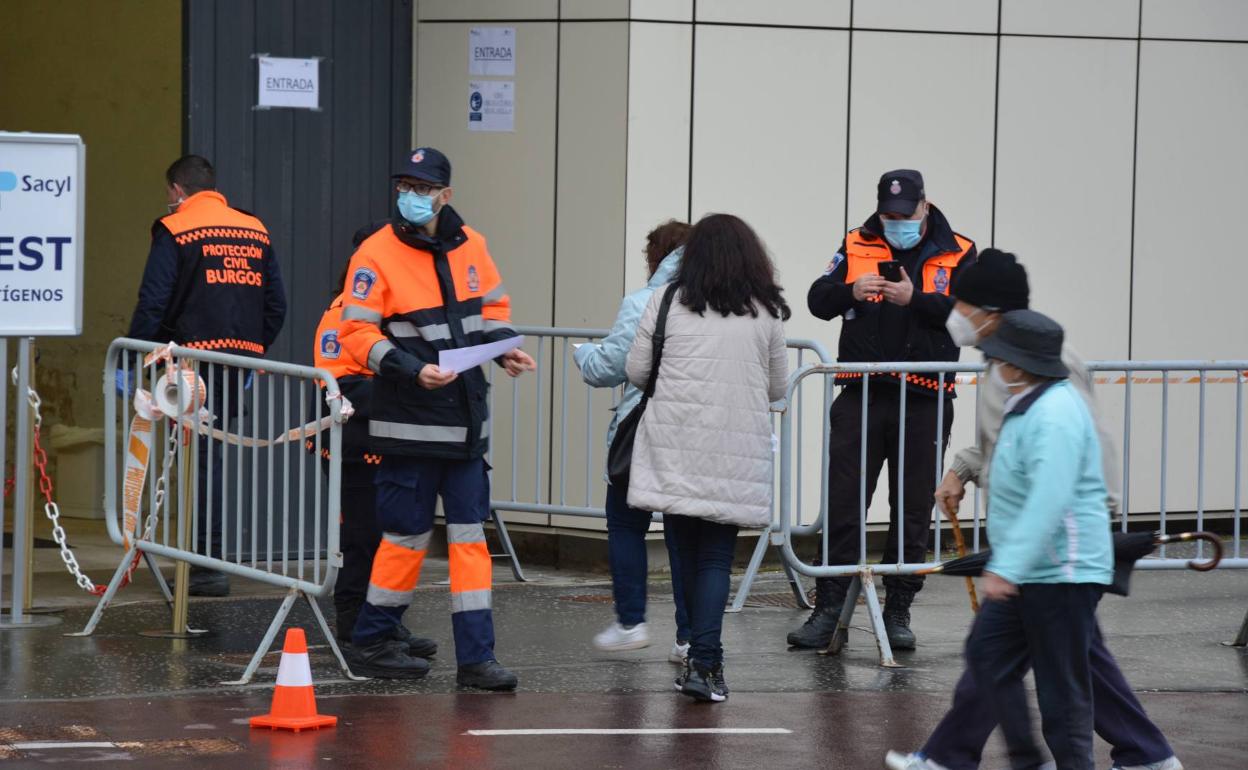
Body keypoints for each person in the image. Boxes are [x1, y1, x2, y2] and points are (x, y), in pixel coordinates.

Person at [886, 252, 1181, 770]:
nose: (954, 310)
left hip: (1056, 549)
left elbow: (1070, 462)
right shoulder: (1008, 360)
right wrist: (965, 467)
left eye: (963, 301)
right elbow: (1009, 446)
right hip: (1039, 547)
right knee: (1027, 657)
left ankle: (965, 757)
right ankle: (1142, 755)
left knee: (1047, 675)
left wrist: (1031, 553)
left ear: (990, 310)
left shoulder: (1047, 370)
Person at [338, 147, 535, 689]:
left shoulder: (473, 245)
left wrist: (504, 349)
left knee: (471, 544)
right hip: (410, 426)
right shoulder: (375, 253)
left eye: (423, 187)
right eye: (405, 184)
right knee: (404, 538)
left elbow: (491, 314)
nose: (412, 195)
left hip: (466, 426)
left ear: (445, 195)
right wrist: (407, 369)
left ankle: (477, 659)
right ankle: (373, 640)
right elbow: (356, 333)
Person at [921, 310, 1115, 769]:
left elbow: (1050, 499)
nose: (994, 366)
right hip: (1031, 568)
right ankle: (1030, 760)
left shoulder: (1055, 415)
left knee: (1060, 691)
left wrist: (1007, 566)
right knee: (986, 655)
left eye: (1000, 358)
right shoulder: (1028, 402)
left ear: (1019, 364)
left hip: (1059, 571)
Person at [798, 169, 976, 650]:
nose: (895, 222)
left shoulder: (959, 249)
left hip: (925, 396)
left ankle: (899, 610)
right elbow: (817, 299)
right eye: (887, 214)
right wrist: (849, 292)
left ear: (925, 206)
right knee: (844, 500)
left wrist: (916, 300)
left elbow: (972, 317)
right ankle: (828, 608)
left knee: (912, 505)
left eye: (904, 214)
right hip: (862, 392)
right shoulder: (857, 242)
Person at [625, 213, 789, 702]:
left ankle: (695, 651)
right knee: (717, 557)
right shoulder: (765, 311)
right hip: (734, 449)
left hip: (674, 443)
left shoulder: (668, 300)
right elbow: (778, 387)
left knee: (682, 552)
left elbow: (636, 371)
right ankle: (707, 664)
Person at [126, 154, 287, 597]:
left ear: (177, 190)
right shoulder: (254, 228)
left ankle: (204, 564)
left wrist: (135, 357)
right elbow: (276, 305)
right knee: (212, 459)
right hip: (236, 363)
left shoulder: (175, 228)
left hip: (189, 365)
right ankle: (209, 561)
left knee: (198, 459)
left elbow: (154, 300)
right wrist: (253, 350)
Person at [310, 222, 436, 662]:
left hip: (389, 441)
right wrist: (410, 391)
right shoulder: (344, 312)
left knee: (391, 538)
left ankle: (385, 621)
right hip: (352, 444)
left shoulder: (396, 312)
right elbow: (339, 385)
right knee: (361, 537)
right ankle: (354, 625)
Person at [574, 220, 693, 661]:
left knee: (625, 523)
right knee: (684, 535)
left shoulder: (644, 302)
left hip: (644, 428)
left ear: (656, 258)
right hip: (691, 431)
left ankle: (630, 622)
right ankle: (688, 637)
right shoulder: (716, 303)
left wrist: (583, 352)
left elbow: (609, 367)